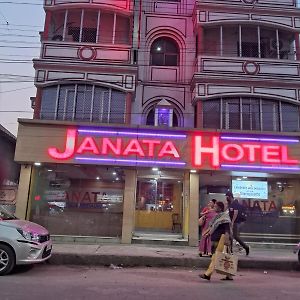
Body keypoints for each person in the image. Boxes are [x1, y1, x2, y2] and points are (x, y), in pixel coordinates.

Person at [199, 201, 233, 281]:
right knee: (224, 258)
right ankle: (229, 276)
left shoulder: (224, 217)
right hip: (216, 238)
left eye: (215, 206)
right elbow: (213, 227)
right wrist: (207, 233)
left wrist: (227, 240)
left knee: (216, 257)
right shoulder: (217, 217)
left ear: (219, 208)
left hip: (222, 239)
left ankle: (207, 274)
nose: (214, 208)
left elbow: (227, 229)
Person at [226, 191, 250, 256]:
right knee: (230, 236)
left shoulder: (235, 203)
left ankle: (246, 247)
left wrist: (232, 222)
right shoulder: (230, 204)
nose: (226, 198)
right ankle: (230, 250)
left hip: (235, 222)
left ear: (230, 196)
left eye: (227, 197)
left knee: (235, 236)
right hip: (231, 222)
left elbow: (235, 213)